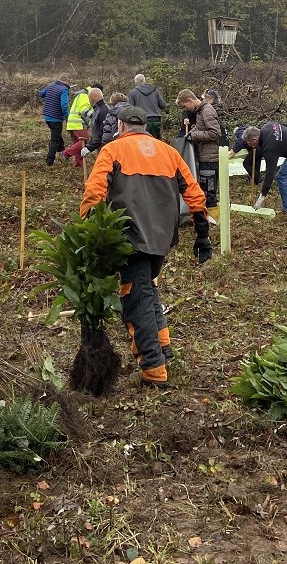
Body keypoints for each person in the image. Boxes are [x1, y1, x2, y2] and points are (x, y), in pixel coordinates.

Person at [80, 105, 211, 388]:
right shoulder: (169, 152)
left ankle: (153, 369)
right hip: (162, 240)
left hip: (129, 239)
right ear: (145, 126)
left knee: (135, 300)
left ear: (122, 126)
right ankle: (163, 347)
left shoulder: (112, 151)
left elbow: (94, 192)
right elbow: (194, 193)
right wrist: (202, 234)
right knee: (148, 288)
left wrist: (87, 230)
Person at [241, 122, 287, 214]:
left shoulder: (269, 147)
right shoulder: (267, 127)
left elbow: (270, 173)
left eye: (249, 143)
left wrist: (262, 197)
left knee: (282, 177)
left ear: (255, 139)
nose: (250, 146)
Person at [177, 88, 221, 213]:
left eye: (185, 106)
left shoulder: (207, 111)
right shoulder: (200, 111)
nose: (186, 109)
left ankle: (213, 218)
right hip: (203, 156)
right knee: (204, 188)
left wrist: (194, 136)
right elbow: (201, 127)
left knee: (209, 191)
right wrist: (190, 134)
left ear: (190, 100)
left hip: (209, 157)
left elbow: (215, 133)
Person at [39, 74, 70, 165]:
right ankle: (49, 161)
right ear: (66, 81)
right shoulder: (64, 89)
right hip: (56, 118)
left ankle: (62, 153)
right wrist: (67, 117)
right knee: (54, 140)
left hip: (47, 117)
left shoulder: (50, 86)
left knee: (57, 135)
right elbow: (64, 105)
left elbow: (41, 94)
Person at [63, 83, 93, 166]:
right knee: (85, 140)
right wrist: (93, 117)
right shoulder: (85, 96)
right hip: (77, 123)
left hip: (73, 123)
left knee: (78, 143)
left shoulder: (82, 95)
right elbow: (83, 110)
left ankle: (78, 164)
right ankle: (66, 153)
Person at [128, 73, 167, 138]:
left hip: (142, 121)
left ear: (135, 82)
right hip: (156, 120)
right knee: (156, 143)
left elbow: (130, 109)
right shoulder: (155, 90)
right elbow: (163, 105)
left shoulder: (133, 93)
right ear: (144, 80)